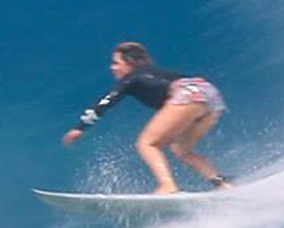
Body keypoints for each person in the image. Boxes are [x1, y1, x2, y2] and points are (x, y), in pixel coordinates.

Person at [62, 42, 231, 194]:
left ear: (129, 64)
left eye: (116, 63)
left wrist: (80, 127)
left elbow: (107, 101)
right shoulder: (156, 72)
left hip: (187, 93)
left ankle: (168, 186)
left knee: (147, 143)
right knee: (181, 149)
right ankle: (221, 183)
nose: (112, 68)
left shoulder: (130, 78)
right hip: (209, 93)